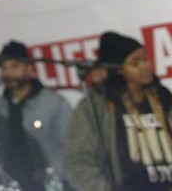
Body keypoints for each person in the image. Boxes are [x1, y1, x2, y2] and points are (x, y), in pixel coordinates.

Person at [64, 31, 172, 190]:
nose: (145, 66)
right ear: (118, 69)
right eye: (135, 63)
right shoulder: (98, 104)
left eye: (145, 59)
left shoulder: (163, 95)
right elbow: (77, 160)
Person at [0, 40, 72, 191]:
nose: (8, 73)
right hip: (11, 184)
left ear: (28, 67)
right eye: (4, 68)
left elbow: (71, 148)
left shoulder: (54, 103)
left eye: (14, 66)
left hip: (49, 183)